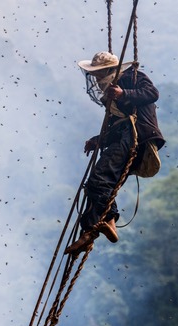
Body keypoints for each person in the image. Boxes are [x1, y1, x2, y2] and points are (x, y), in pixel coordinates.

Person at [65, 51, 165, 255]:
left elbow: (152, 93)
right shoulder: (110, 95)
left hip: (137, 136)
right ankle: (89, 232)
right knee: (96, 186)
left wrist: (124, 94)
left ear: (108, 70)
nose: (95, 78)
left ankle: (110, 219)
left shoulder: (131, 77)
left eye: (98, 73)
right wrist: (98, 141)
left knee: (99, 180)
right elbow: (116, 126)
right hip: (124, 136)